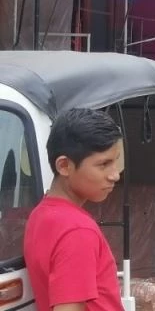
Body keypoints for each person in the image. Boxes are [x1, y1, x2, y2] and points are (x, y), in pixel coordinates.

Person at [24, 107, 124, 311]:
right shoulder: (78, 231)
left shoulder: (40, 214)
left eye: (115, 161)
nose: (115, 175)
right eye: (104, 164)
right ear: (64, 166)